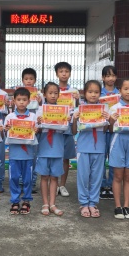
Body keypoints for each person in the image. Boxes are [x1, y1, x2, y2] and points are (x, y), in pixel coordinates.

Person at [72, 80, 110, 218]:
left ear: (100, 93)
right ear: (85, 93)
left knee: (97, 177)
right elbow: (73, 132)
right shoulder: (79, 109)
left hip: (99, 146)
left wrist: (108, 120)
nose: (93, 95)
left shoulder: (104, 109)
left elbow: (106, 130)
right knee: (83, 176)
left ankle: (93, 203)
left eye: (96, 92)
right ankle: (83, 203)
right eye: (90, 92)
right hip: (83, 147)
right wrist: (75, 119)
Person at [108, 78, 129, 220]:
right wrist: (111, 120)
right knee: (117, 176)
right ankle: (118, 206)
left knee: (128, 177)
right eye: (125, 89)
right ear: (120, 90)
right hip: (118, 142)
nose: (128, 92)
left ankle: (127, 206)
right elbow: (110, 129)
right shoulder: (114, 108)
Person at [4, 87, 37, 215]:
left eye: (24, 99)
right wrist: (6, 129)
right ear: (14, 101)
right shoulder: (10, 117)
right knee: (14, 178)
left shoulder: (32, 116)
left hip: (28, 154)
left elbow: (35, 133)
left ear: (29, 101)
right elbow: (5, 133)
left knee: (28, 179)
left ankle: (26, 201)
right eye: (19, 99)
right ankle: (15, 201)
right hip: (14, 154)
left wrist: (36, 130)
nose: (21, 102)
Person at [36, 82, 65, 216]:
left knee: (54, 177)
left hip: (57, 147)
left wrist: (66, 119)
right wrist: (38, 123)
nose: (53, 96)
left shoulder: (63, 110)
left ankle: (53, 204)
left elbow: (67, 129)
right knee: (44, 176)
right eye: (50, 93)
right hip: (44, 148)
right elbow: (35, 130)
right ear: (44, 94)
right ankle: (45, 203)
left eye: (55, 93)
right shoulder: (40, 110)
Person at [55, 62, 80, 197]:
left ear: (70, 73)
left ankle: (62, 185)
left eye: (66, 71)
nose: (64, 74)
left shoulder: (74, 92)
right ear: (57, 74)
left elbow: (79, 110)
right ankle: (54, 185)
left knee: (65, 158)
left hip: (68, 127)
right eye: (61, 71)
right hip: (55, 128)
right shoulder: (52, 90)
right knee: (54, 157)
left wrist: (78, 100)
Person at [21, 68, 42, 193]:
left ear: (35, 80)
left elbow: (43, 112)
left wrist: (41, 102)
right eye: (26, 79)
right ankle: (21, 181)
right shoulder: (19, 93)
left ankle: (32, 182)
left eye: (31, 79)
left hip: (34, 129)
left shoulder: (39, 95)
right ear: (22, 80)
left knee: (34, 156)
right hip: (21, 130)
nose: (28, 81)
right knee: (21, 156)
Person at [100, 65, 119, 201]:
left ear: (116, 77)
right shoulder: (98, 93)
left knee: (113, 158)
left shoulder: (120, 94)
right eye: (107, 76)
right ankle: (102, 185)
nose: (110, 78)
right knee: (101, 159)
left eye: (113, 75)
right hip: (101, 130)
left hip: (115, 131)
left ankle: (112, 185)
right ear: (103, 78)